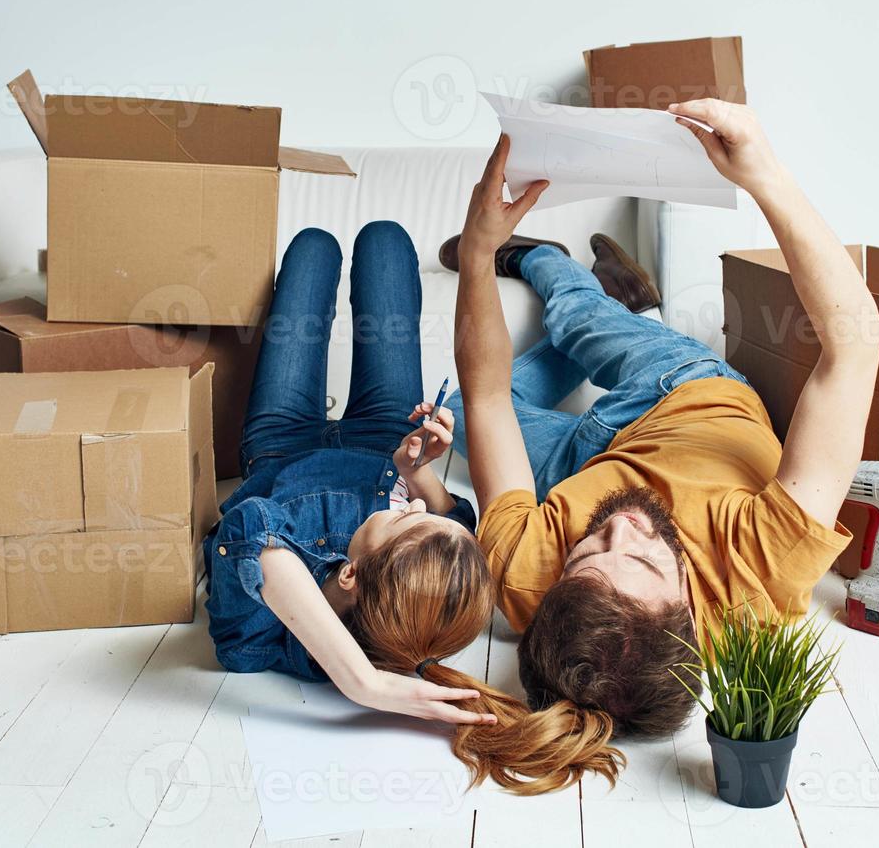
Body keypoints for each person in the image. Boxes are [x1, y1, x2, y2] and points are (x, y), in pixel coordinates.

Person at [447, 100, 879, 738]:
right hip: (695, 401)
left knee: (460, 407)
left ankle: (567, 279)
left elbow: (485, 396)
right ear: (689, 612)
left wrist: (482, 250)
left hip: (624, 428)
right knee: (568, 331)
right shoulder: (758, 572)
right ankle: (592, 287)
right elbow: (855, 344)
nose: (621, 528)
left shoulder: (525, 576)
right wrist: (765, 174)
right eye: (646, 561)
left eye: (589, 555)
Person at [203, 220, 622, 793]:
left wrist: (363, 684)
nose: (415, 508)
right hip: (381, 439)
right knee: (386, 241)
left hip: (281, 442)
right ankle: (604, 304)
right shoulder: (411, 583)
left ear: (350, 572)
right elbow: (454, 524)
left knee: (311, 248)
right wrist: (416, 471)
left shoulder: (256, 639)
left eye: (408, 515)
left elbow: (248, 531)